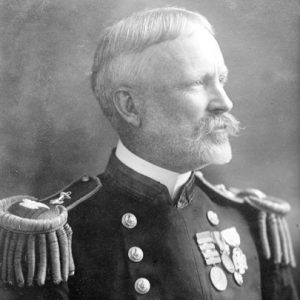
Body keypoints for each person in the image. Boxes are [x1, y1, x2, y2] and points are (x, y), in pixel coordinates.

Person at [0, 7, 298, 300]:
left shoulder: (251, 221)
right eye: (197, 83)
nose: (225, 102)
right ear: (130, 106)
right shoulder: (55, 237)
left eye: (221, 80)